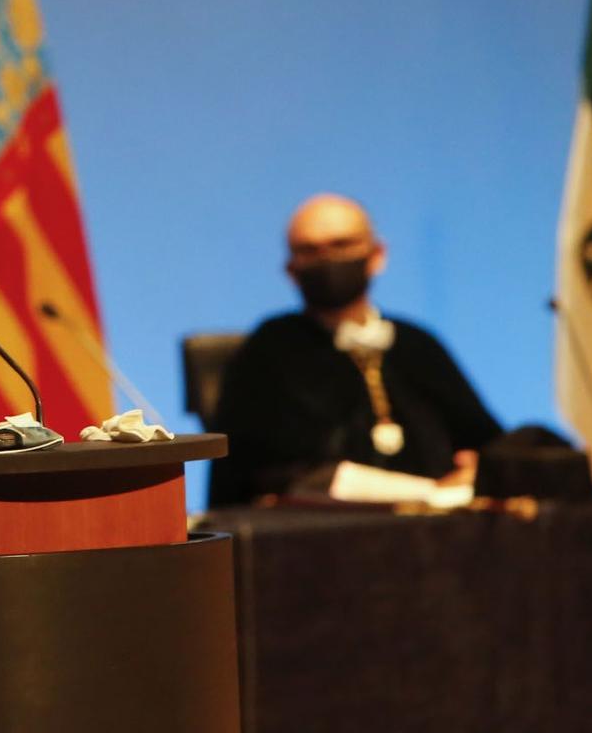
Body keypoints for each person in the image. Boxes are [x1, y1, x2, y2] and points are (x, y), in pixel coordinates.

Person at [208, 193, 504, 507]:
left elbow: (483, 441)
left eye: (341, 245)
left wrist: (480, 470)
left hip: (442, 531)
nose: (327, 260)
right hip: (322, 537)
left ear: (376, 254)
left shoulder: (416, 344)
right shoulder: (271, 349)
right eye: (309, 251)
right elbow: (253, 472)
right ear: (292, 269)